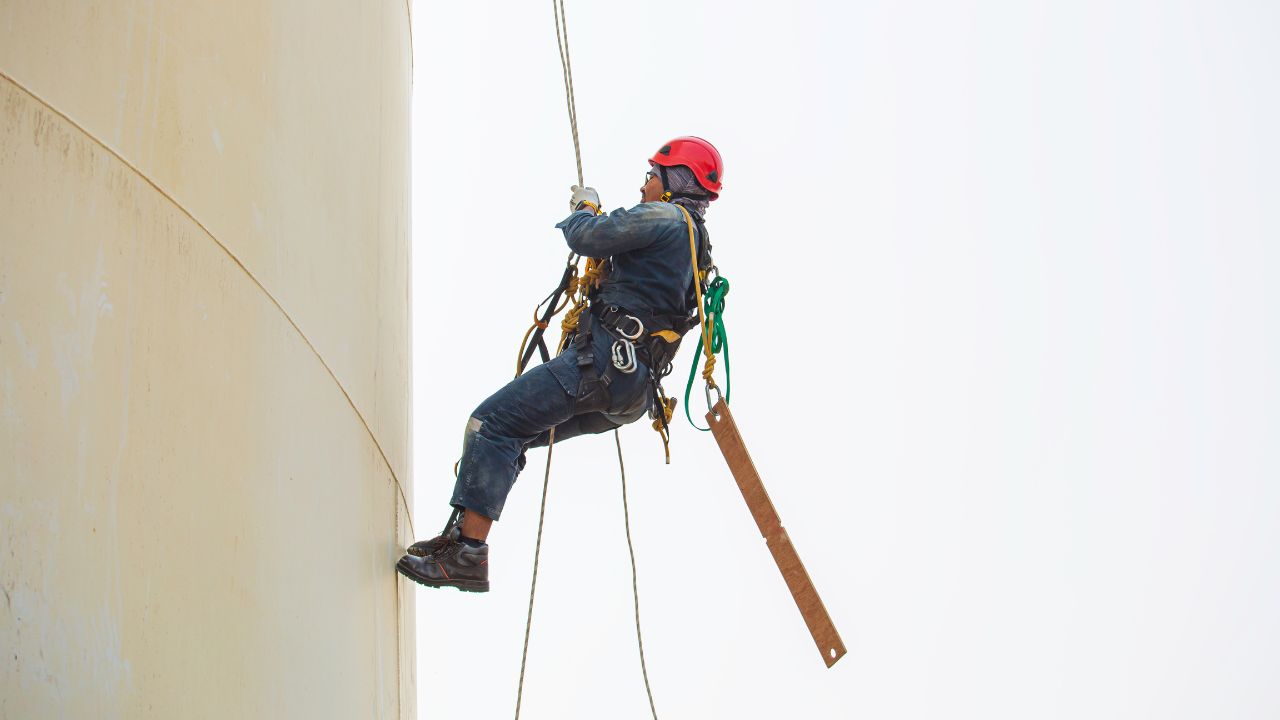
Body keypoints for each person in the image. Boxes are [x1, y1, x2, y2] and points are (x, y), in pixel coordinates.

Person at [396, 137, 724, 592]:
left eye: (653, 174)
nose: (645, 183)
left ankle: (469, 553)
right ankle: (459, 540)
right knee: (514, 434)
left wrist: (584, 210)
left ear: (676, 182)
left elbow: (588, 237)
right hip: (630, 392)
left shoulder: (666, 218)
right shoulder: (695, 247)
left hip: (606, 365)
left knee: (490, 424)